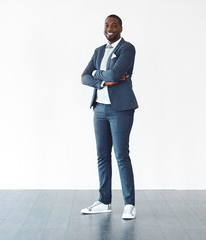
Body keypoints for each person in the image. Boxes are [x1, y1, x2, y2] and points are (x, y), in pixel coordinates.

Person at [80, 14, 138, 219]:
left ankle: (129, 204)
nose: (109, 28)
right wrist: (102, 80)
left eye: (114, 25)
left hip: (120, 109)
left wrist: (100, 74)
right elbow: (84, 76)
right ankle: (104, 201)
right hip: (100, 109)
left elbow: (115, 75)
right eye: (106, 25)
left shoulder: (127, 48)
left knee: (121, 155)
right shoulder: (98, 51)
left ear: (121, 28)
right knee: (102, 155)